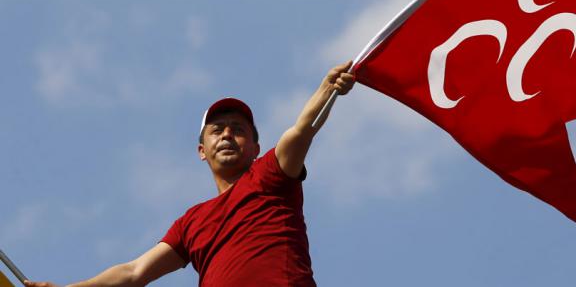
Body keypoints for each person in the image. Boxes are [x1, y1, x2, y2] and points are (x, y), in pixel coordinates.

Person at [25, 61, 356, 287]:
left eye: (238, 130)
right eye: (217, 130)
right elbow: (133, 273)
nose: (227, 135)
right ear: (201, 151)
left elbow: (300, 132)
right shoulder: (191, 223)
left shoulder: (271, 177)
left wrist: (327, 90)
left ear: (256, 148)